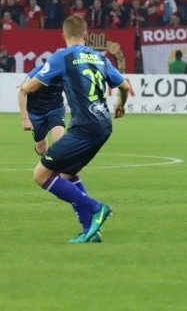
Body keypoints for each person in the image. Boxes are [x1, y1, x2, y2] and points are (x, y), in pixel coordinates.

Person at [19, 15, 130, 243]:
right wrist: (121, 105)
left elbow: (29, 87)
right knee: (68, 174)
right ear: (86, 35)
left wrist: (25, 85)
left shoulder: (61, 57)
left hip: (85, 127)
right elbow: (124, 85)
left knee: (40, 175)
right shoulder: (99, 57)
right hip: (104, 125)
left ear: (63, 35)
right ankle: (90, 230)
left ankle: (96, 208)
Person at [18, 64, 66, 156]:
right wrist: (25, 119)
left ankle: (55, 167)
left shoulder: (66, 74)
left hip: (56, 109)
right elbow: (22, 92)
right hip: (36, 113)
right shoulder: (38, 72)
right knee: (41, 150)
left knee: (59, 143)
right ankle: (45, 156)